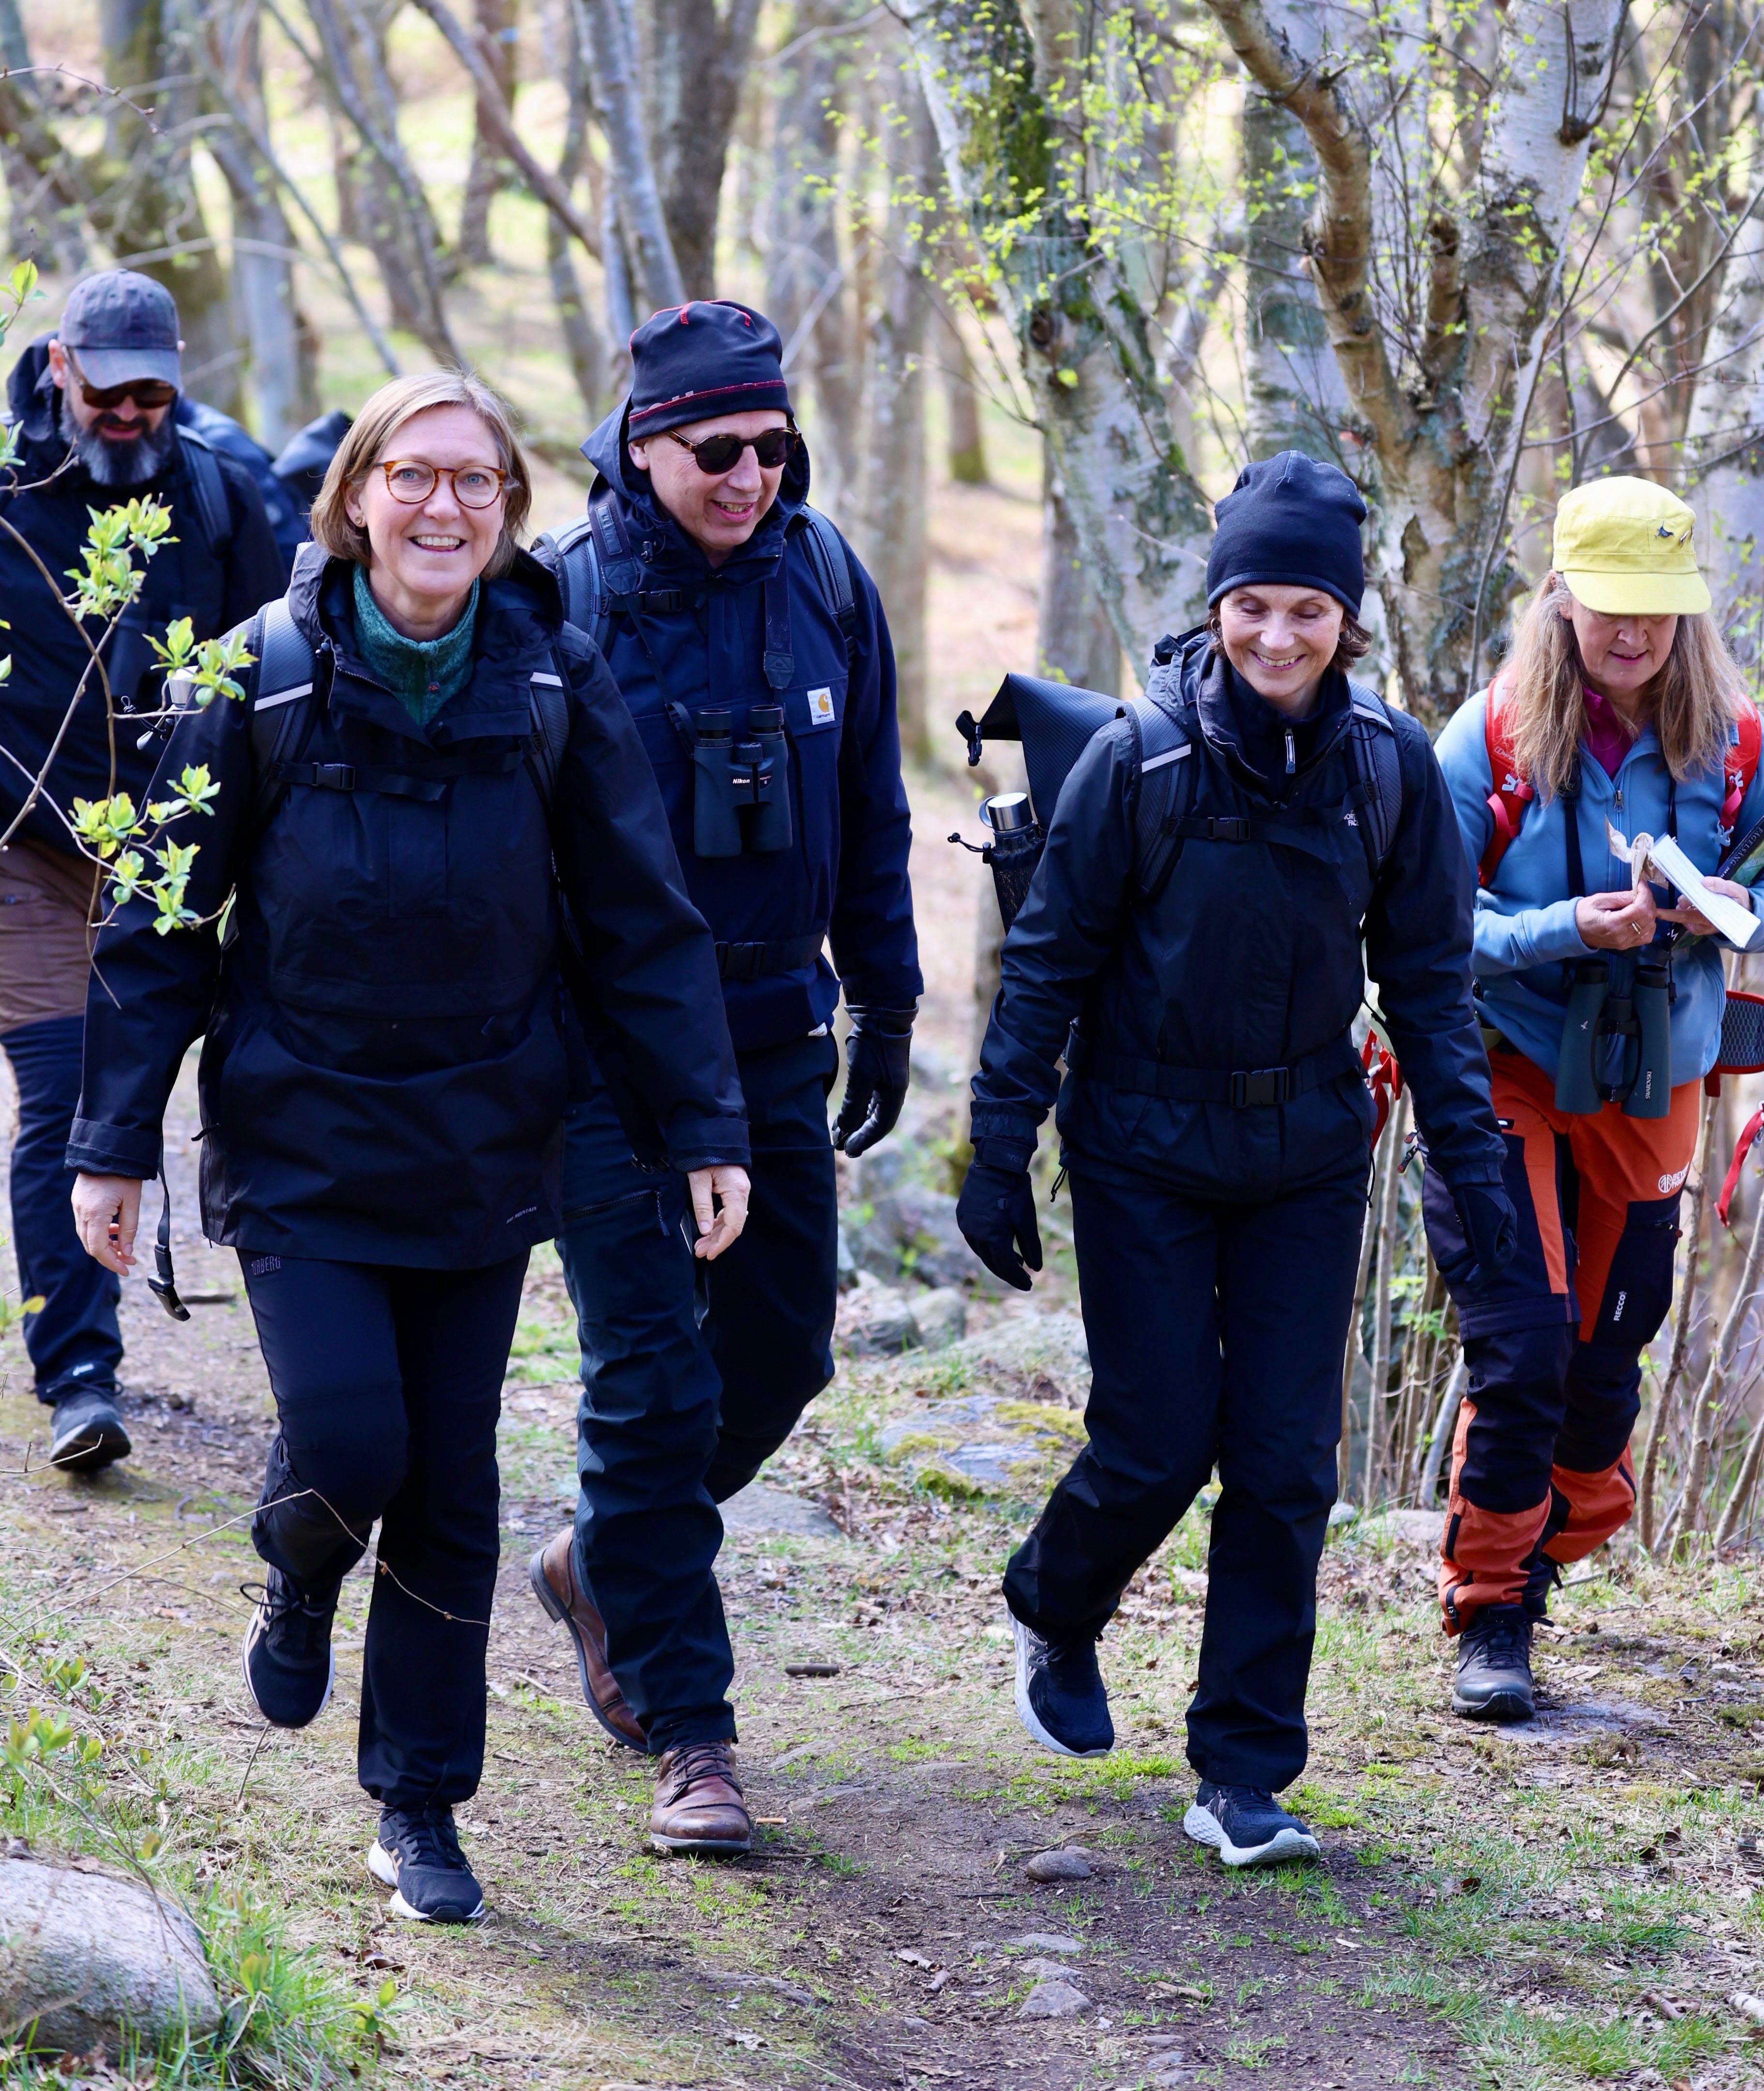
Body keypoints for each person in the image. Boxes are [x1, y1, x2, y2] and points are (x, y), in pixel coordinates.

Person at [66, 370, 751, 1923]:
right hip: (302, 1134)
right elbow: (160, 926)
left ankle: (421, 1807)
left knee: (450, 1485)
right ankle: (302, 1567)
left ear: (509, 513)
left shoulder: (554, 687)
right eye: (416, 477)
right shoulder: (259, 678)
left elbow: (645, 924)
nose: (446, 508)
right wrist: (113, 1143)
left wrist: (706, 1119)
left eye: (479, 484)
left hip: (483, 1133)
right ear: (359, 495)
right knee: (355, 1442)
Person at [956, 451, 1514, 1867]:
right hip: (1141, 1139)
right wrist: (996, 1147)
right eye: (1252, 607)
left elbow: (1434, 991)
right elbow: (1047, 967)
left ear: (1348, 622)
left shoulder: (1388, 769)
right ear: (1217, 609)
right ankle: (1053, 1601)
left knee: (1283, 1463)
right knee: (1154, 1439)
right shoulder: (1135, 761)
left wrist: (1478, 1172)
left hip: (1310, 1153)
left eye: (1307, 613)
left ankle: (1243, 1771)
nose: (1276, 638)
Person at [526, 300, 919, 1855]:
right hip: (608, 1061)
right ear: (642, 442)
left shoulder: (826, 579)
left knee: (783, 1357)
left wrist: (886, 1002)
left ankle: (604, 1558)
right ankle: (695, 1733)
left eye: (771, 446)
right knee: (654, 1376)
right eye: (715, 450)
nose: (750, 475)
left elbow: (875, 802)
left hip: (771, 1037)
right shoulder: (563, 601)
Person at [1425, 477, 1764, 1723]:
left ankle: (1547, 1548)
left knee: (1604, 1358)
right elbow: (1426, 923)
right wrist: (1568, 925)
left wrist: (1715, 913)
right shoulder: (1493, 736)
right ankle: (1491, 1607)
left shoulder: (1738, 742)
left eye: (1660, 613)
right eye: (1610, 608)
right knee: (1521, 1343)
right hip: (1505, 1071)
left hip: (1654, 1081)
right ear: (1559, 599)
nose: (1634, 635)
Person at [0, 269, 283, 1474]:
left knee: (211, 1092)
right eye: (108, 391)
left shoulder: (221, 493)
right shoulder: (9, 499)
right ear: (60, 366)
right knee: (66, 1089)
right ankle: (79, 1374)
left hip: (176, 857)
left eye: (153, 392)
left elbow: (279, 664)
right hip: (25, 847)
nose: (129, 414)